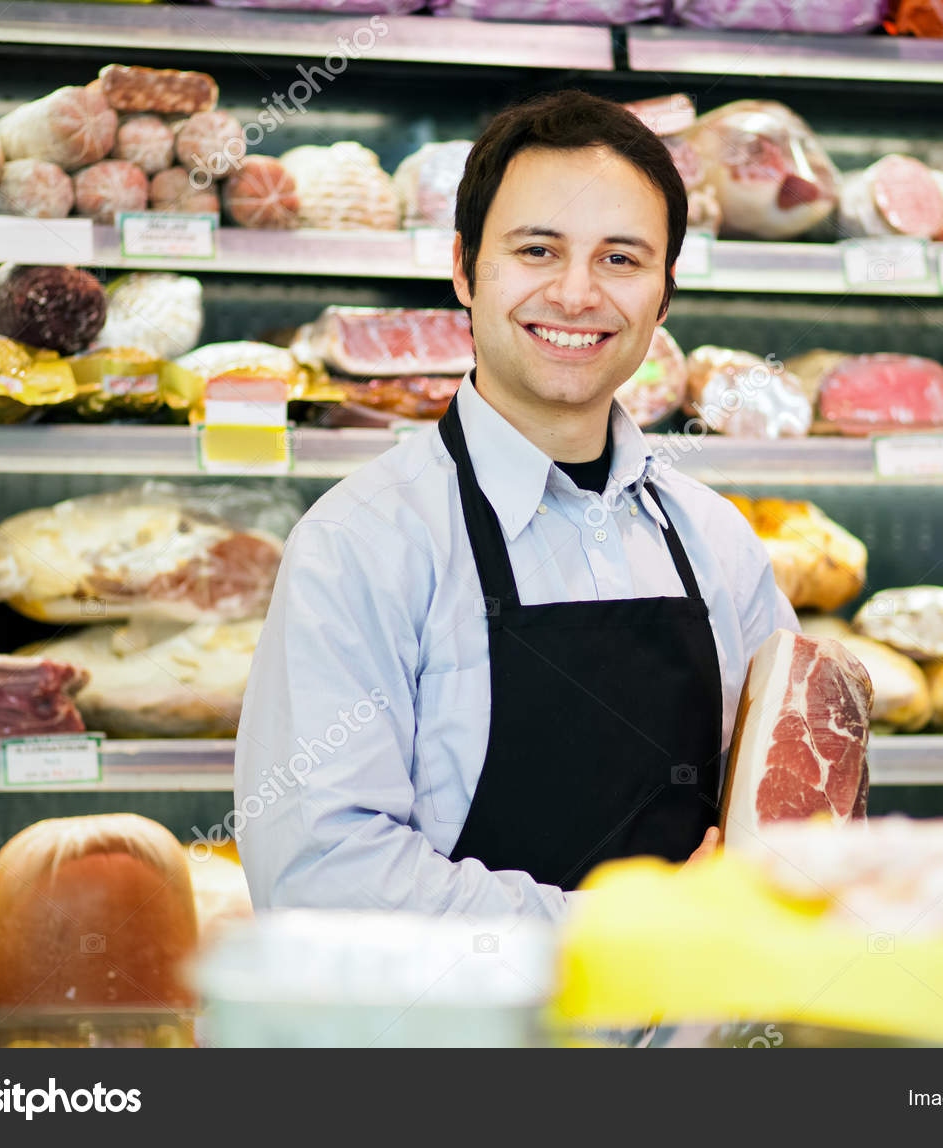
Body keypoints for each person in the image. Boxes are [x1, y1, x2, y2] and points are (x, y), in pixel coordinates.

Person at [235, 89, 798, 921]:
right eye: (538, 250)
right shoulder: (363, 543)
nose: (576, 295)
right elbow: (321, 877)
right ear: (464, 268)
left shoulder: (717, 541)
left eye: (621, 259)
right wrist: (614, 933)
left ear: (664, 294)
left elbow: (788, 805)